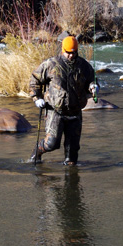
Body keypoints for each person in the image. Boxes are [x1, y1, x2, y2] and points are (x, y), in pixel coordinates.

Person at [29, 35, 98, 165]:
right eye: (68, 53)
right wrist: (36, 97)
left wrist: (93, 86)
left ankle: (71, 180)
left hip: (75, 112)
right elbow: (34, 80)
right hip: (55, 111)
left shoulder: (84, 66)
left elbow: (92, 80)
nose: (71, 55)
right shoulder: (51, 64)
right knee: (51, 144)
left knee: (72, 152)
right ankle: (37, 152)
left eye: (74, 52)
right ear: (62, 50)